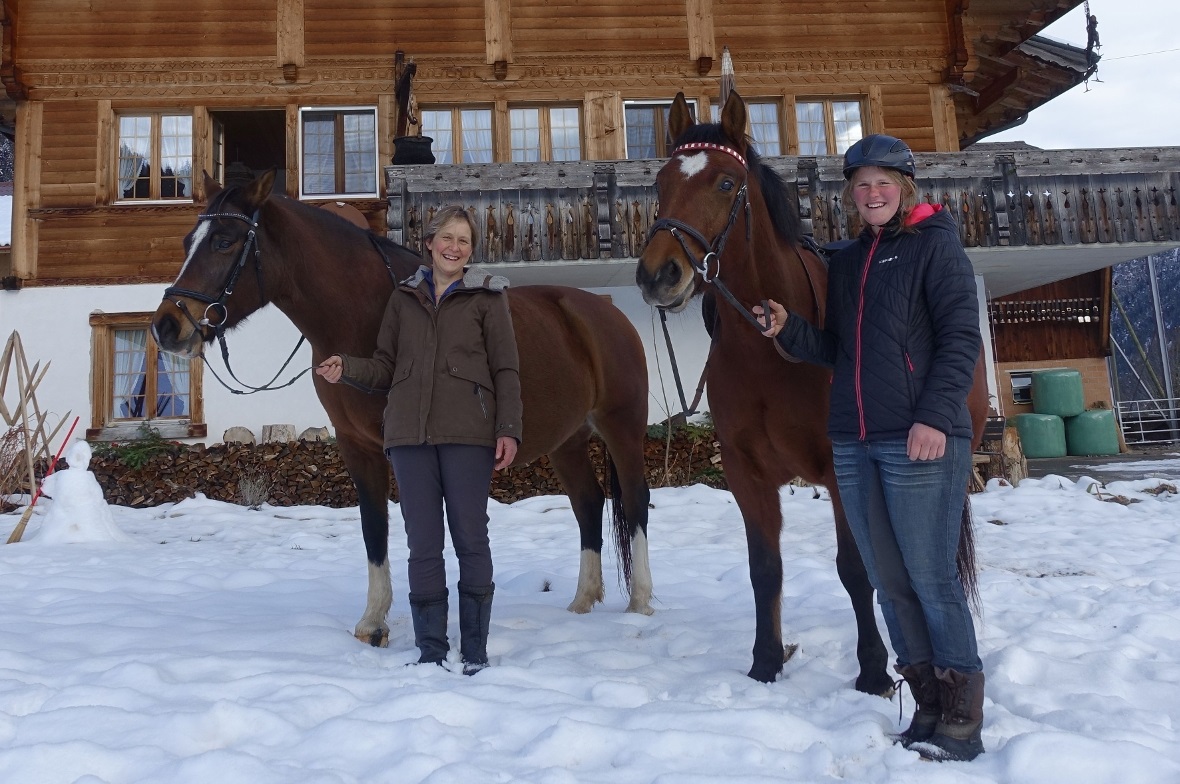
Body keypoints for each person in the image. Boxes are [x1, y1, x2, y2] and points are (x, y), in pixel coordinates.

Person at [755, 134, 986, 762]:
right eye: (861, 184)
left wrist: (934, 417)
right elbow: (840, 350)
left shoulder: (936, 245)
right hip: (856, 444)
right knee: (888, 582)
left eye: (883, 182)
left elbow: (961, 338)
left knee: (931, 579)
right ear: (851, 195)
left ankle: (961, 720)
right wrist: (790, 330)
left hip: (919, 440)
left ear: (904, 188)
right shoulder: (851, 260)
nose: (872, 192)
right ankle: (927, 706)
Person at [316, 205, 522, 675]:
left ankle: (475, 650)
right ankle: (432, 650)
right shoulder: (403, 299)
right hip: (409, 438)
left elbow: (506, 369)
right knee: (423, 544)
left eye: (464, 241)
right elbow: (385, 367)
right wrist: (347, 367)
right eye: (447, 238)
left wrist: (508, 429)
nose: (454, 247)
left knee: (471, 538)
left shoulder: (488, 298)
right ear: (429, 244)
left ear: (471, 251)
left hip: (468, 435)